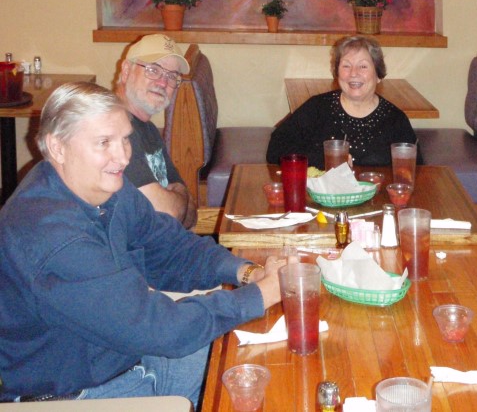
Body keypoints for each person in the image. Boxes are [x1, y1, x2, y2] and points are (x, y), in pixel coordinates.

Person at [0, 82, 290, 406]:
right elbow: (159, 329)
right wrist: (261, 295)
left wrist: (247, 273)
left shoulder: (109, 189)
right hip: (79, 396)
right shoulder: (52, 237)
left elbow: (171, 248)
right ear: (58, 147)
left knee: (264, 363)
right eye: (104, 142)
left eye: (125, 139)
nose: (122, 156)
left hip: (133, 359)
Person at [267, 35, 418, 169]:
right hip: (324, 198)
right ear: (337, 73)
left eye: (363, 66)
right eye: (346, 66)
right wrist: (325, 160)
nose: (353, 73)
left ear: (378, 75)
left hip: (379, 199)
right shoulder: (317, 108)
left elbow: (416, 169)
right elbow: (276, 149)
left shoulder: (395, 120)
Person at [115, 34, 197, 229]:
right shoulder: (116, 131)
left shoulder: (148, 129)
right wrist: (177, 199)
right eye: (153, 70)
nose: (162, 83)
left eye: (171, 76)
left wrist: (177, 201)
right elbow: (168, 212)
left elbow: (192, 214)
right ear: (126, 71)